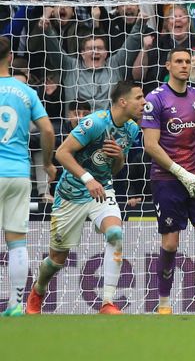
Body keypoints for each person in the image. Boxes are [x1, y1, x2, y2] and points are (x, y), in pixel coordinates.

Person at [27, 81, 145, 315]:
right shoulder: (95, 122)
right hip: (71, 193)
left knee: (115, 235)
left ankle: (108, 302)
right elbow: (61, 153)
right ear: (123, 101)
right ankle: (38, 291)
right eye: (139, 97)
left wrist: (119, 157)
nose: (144, 102)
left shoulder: (132, 129)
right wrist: (88, 178)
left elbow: (114, 170)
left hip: (102, 190)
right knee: (57, 259)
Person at [142, 47, 195, 315]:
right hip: (168, 179)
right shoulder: (156, 99)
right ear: (168, 66)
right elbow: (150, 145)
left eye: (187, 61)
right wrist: (180, 172)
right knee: (170, 243)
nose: (184, 66)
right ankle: (163, 304)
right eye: (179, 61)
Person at [0, 37, 55, 317]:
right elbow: (47, 131)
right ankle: (16, 305)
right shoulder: (25, 91)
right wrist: (46, 164)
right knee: (17, 241)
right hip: (19, 174)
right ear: (10, 58)